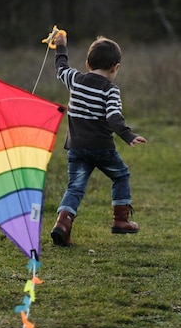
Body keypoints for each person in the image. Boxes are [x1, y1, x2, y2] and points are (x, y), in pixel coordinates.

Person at [51, 32, 147, 247]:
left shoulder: (75, 79)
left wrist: (61, 47)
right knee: (121, 176)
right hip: (102, 149)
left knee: (74, 188)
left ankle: (62, 225)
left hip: (76, 148)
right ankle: (121, 220)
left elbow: (61, 69)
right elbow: (114, 116)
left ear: (87, 63)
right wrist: (128, 135)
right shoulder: (111, 90)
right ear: (115, 67)